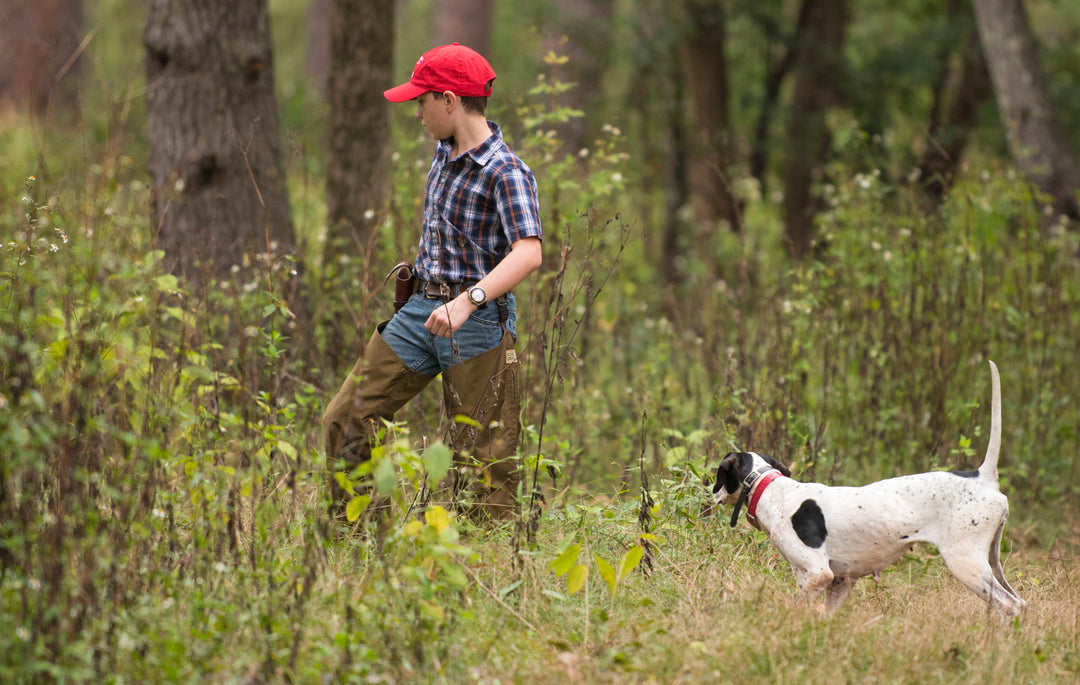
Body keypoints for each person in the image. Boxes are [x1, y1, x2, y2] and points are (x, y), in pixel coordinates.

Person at [323, 43, 543, 520]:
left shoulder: (506, 171)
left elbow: (529, 252)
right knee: (346, 417)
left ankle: (483, 569)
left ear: (449, 100)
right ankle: (356, 535)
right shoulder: (442, 156)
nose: (417, 111)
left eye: (421, 100)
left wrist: (470, 299)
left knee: (482, 461)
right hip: (421, 311)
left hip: (478, 322)